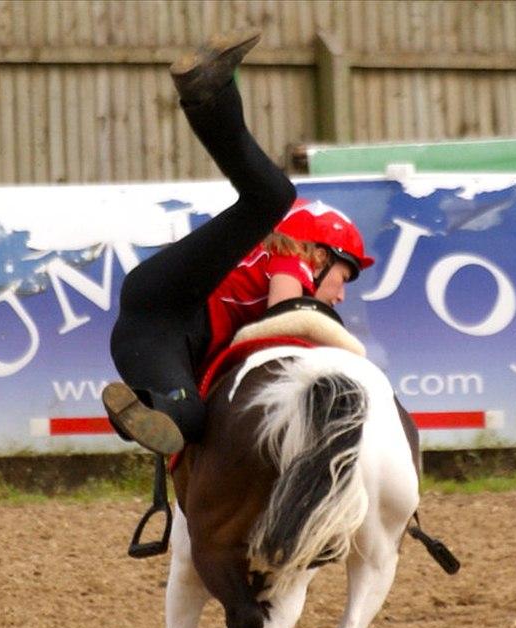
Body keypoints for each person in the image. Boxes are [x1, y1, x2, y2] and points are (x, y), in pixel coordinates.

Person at [103, 29, 374, 455]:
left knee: (188, 420)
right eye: (345, 275)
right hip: (170, 307)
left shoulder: (264, 256)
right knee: (273, 196)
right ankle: (207, 93)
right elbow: (284, 318)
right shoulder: (294, 260)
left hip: (155, 333)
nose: (340, 295)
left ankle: (143, 409)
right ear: (322, 254)